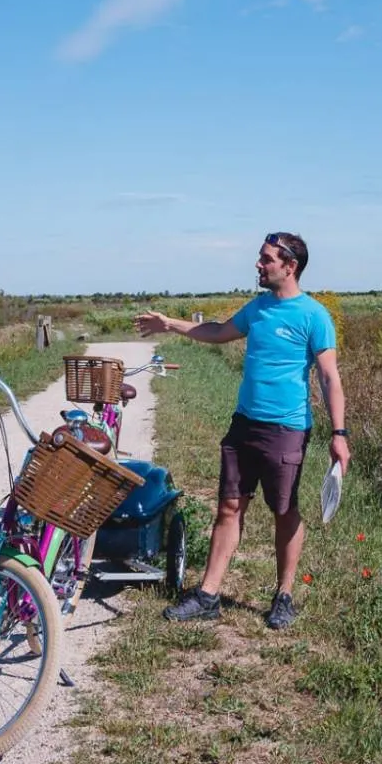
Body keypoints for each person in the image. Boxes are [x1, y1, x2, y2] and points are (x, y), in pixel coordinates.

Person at [134, 232, 348, 630]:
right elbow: (217, 332)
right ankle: (209, 595)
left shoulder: (314, 316)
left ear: (290, 266)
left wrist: (340, 434)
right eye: (260, 257)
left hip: (286, 429)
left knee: (284, 511)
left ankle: (284, 596)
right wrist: (170, 324)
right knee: (229, 506)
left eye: (266, 259)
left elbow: (329, 377)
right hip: (244, 424)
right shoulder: (258, 309)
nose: (258, 265)